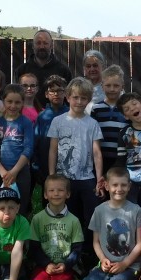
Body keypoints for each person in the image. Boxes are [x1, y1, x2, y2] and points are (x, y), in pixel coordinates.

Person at [47, 76, 104, 243]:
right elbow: (53, 150)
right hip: (64, 178)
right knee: (68, 215)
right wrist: (52, 176)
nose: (79, 102)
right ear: (68, 97)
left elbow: (97, 153)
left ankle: (88, 251)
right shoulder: (58, 121)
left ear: (89, 99)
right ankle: (67, 248)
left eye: (83, 98)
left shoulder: (92, 123)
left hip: (87, 178)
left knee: (90, 216)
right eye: (75, 97)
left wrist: (99, 178)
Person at [81, 167, 141, 280]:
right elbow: (96, 242)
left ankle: (132, 279)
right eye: (115, 185)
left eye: (123, 185)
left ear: (129, 186)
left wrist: (125, 264)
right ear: (106, 186)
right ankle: (101, 275)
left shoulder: (136, 211)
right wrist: (103, 259)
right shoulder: (99, 211)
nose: (119, 189)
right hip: (107, 264)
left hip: (130, 265)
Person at [27, 174, 84, 280]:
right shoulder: (37, 219)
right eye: (51, 190)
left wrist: (66, 265)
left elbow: (77, 249)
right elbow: (34, 248)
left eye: (60, 190)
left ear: (68, 194)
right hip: (44, 264)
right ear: (45, 194)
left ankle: (70, 276)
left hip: (65, 264)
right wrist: (46, 264)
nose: (56, 193)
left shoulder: (74, 220)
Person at [0, 84, 35, 217]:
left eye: (17, 102)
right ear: (3, 101)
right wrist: (2, 172)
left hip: (20, 172)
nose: (13, 105)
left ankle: (20, 231)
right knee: (0, 210)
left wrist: (14, 172)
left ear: (23, 102)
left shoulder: (26, 122)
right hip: (0, 173)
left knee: (20, 209)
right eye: (9, 101)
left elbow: (28, 148)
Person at [15, 30, 74, 107]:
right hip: (27, 113)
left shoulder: (63, 70)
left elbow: (69, 98)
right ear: (33, 46)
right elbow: (17, 96)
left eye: (45, 43)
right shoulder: (22, 70)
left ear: (51, 46)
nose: (42, 46)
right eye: (38, 43)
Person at [33, 74, 69, 187]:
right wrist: (36, 165)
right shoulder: (42, 116)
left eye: (59, 91)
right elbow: (35, 142)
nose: (56, 94)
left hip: (68, 167)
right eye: (52, 91)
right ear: (46, 94)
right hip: (45, 166)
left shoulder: (71, 114)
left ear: (65, 93)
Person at [91, 65, 127, 174]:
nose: (112, 89)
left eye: (116, 85)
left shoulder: (127, 108)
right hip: (101, 159)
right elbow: (92, 135)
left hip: (122, 159)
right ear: (102, 86)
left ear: (122, 86)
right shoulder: (96, 108)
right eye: (108, 85)